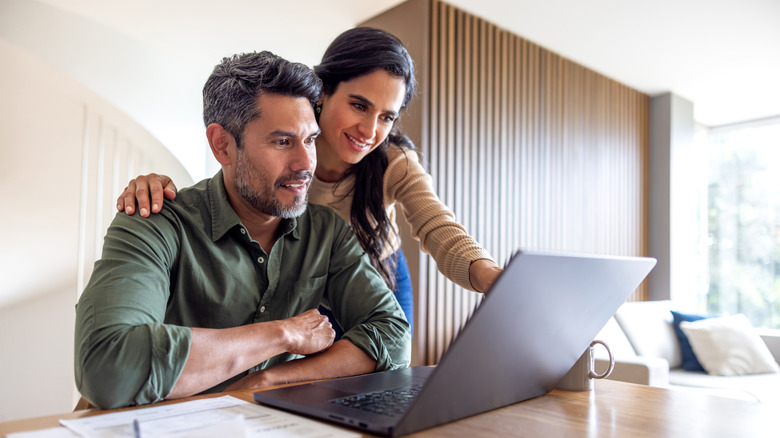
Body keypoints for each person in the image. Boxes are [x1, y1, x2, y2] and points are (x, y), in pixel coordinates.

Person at [75, 51, 410, 409]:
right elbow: (107, 366)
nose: (305, 163)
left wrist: (267, 380)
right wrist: (281, 335)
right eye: (282, 142)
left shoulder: (327, 233)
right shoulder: (153, 221)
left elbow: (393, 337)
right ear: (223, 144)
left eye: (310, 140)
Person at [117, 27, 503, 335]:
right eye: (359, 105)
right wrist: (156, 186)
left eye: (387, 116)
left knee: (385, 374)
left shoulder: (393, 161)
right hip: (306, 279)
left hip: (378, 271)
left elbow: (438, 225)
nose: (370, 130)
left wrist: (492, 278)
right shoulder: (284, 153)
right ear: (322, 94)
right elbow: (238, 181)